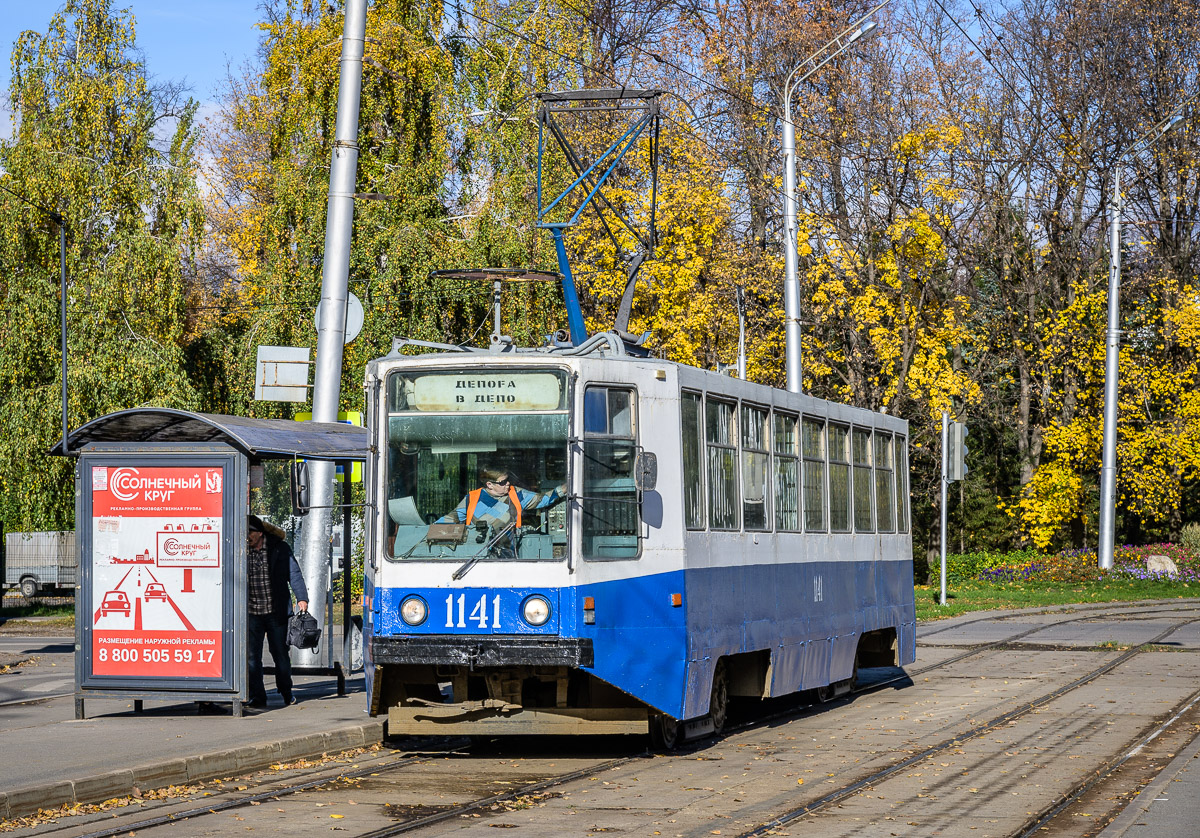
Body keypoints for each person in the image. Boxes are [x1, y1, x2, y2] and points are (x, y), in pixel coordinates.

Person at [245, 515, 308, 708]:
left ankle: (286, 692)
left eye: (250, 532)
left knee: (280, 654)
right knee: (252, 657)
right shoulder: (241, 550)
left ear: (260, 533)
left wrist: (302, 598)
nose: (247, 536)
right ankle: (258, 696)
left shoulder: (279, 548)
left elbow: (294, 573)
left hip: (276, 612)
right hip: (252, 613)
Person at [440, 467, 566, 556]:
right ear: (490, 485)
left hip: (509, 556)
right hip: (478, 556)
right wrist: (427, 531)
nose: (508, 483)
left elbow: (542, 499)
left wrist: (563, 489)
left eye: (508, 479)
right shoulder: (472, 499)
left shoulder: (516, 493)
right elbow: (450, 519)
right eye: (503, 482)